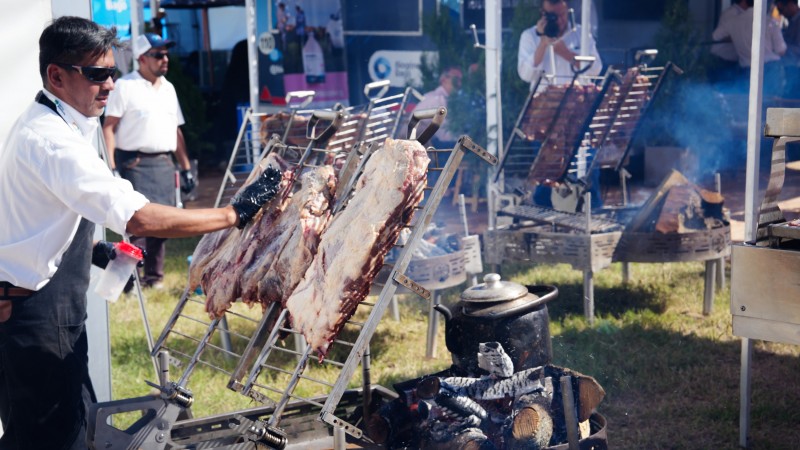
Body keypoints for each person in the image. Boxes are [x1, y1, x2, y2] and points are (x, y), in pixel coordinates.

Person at [0, 17, 281, 450]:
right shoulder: (52, 141)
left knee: (57, 430)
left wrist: (96, 249)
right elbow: (139, 218)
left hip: (41, 308)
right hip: (37, 315)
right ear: (56, 75)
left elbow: (37, 216)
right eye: (97, 74)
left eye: (112, 72)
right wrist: (234, 213)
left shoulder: (54, 121)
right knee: (54, 439)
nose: (110, 85)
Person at [102, 33, 194, 289]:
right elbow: (109, 127)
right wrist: (111, 167)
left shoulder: (168, 88)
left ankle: (154, 278)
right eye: (158, 55)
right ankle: (127, 282)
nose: (165, 59)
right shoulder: (124, 86)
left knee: (162, 224)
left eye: (166, 54)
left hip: (164, 162)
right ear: (142, 58)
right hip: (134, 162)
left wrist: (186, 167)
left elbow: (176, 131)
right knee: (135, 225)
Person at [517, 0, 602, 88]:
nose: (560, 20)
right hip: (544, 95)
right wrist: (542, 45)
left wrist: (566, 53)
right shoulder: (530, 36)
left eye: (562, 14)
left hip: (574, 94)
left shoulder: (581, 34)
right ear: (543, 14)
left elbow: (596, 69)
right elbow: (525, 75)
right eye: (554, 16)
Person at [712, 0, 787, 97]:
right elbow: (781, 50)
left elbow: (715, 36)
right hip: (771, 69)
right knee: (772, 101)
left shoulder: (733, 21)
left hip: (747, 69)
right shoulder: (769, 22)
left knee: (748, 100)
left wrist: (735, 36)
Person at [414, 66, 463, 146]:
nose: (459, 83)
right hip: (416, 145)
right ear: (444, 80)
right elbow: (444, 135)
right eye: (456, 79)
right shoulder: (438, 100)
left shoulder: (436, 97)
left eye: (461, 80)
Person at [775, 0, 800, 98]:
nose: (781, 14)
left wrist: (781, 45)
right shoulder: (793, 21)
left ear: (790, 5)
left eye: (781, 10)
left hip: (795, 66)